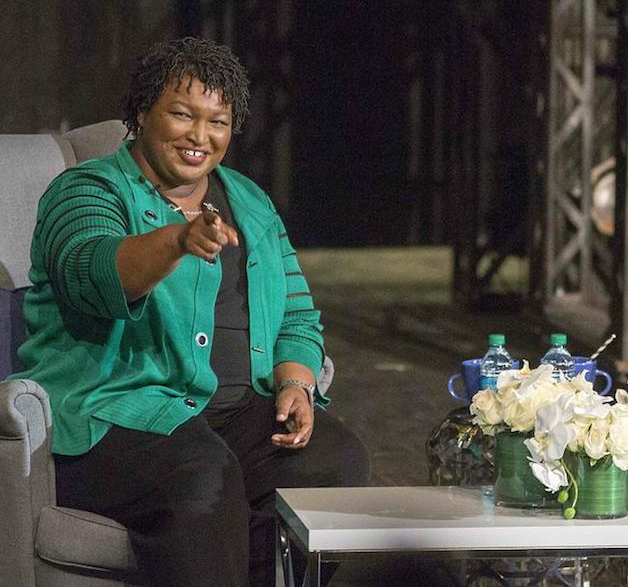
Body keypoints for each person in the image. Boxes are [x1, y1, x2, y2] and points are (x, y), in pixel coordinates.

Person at [11, 37, 369, 586]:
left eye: (218, 122)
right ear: (140, 113)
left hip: (234, 413)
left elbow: (297, 312)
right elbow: (95, 273)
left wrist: (295, 382)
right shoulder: (86, 190)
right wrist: (175, 241)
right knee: (202, 474)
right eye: (182, 115)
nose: (200, 136)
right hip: (115, 413)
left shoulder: (249, 200)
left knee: (335, 461)